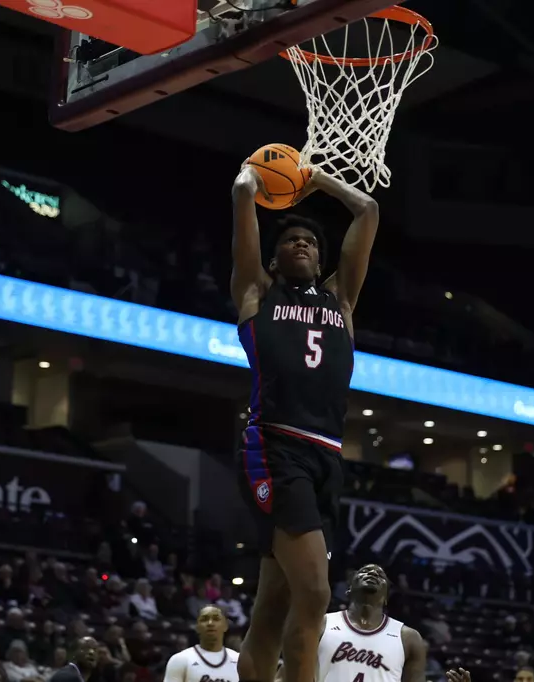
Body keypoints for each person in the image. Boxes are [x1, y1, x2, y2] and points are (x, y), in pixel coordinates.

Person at [230, 160, 378, 682]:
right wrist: (247, 188)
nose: (302, 245)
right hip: (275, 447)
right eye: (290, 240)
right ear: (274, 256)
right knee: (316, 592)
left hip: (327, 458)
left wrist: (320, 182)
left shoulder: (341, 300)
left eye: (310, 242)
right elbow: (244, 209)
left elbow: (368, 209)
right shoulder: (258, 295)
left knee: (275, 604)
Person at [307, 564, 470, 682]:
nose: (372, 572)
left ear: (386, 596)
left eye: (380, 575)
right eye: (364, 571)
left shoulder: (408, 638)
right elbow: (287, 676)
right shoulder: (321, 624)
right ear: (348, 590)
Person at [163, 605, 240, 682]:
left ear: (225, 626)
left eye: (216, 619)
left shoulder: (238, 660)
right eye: (204, 619)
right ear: (197, 627)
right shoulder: (180, 660)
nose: (210, 623)